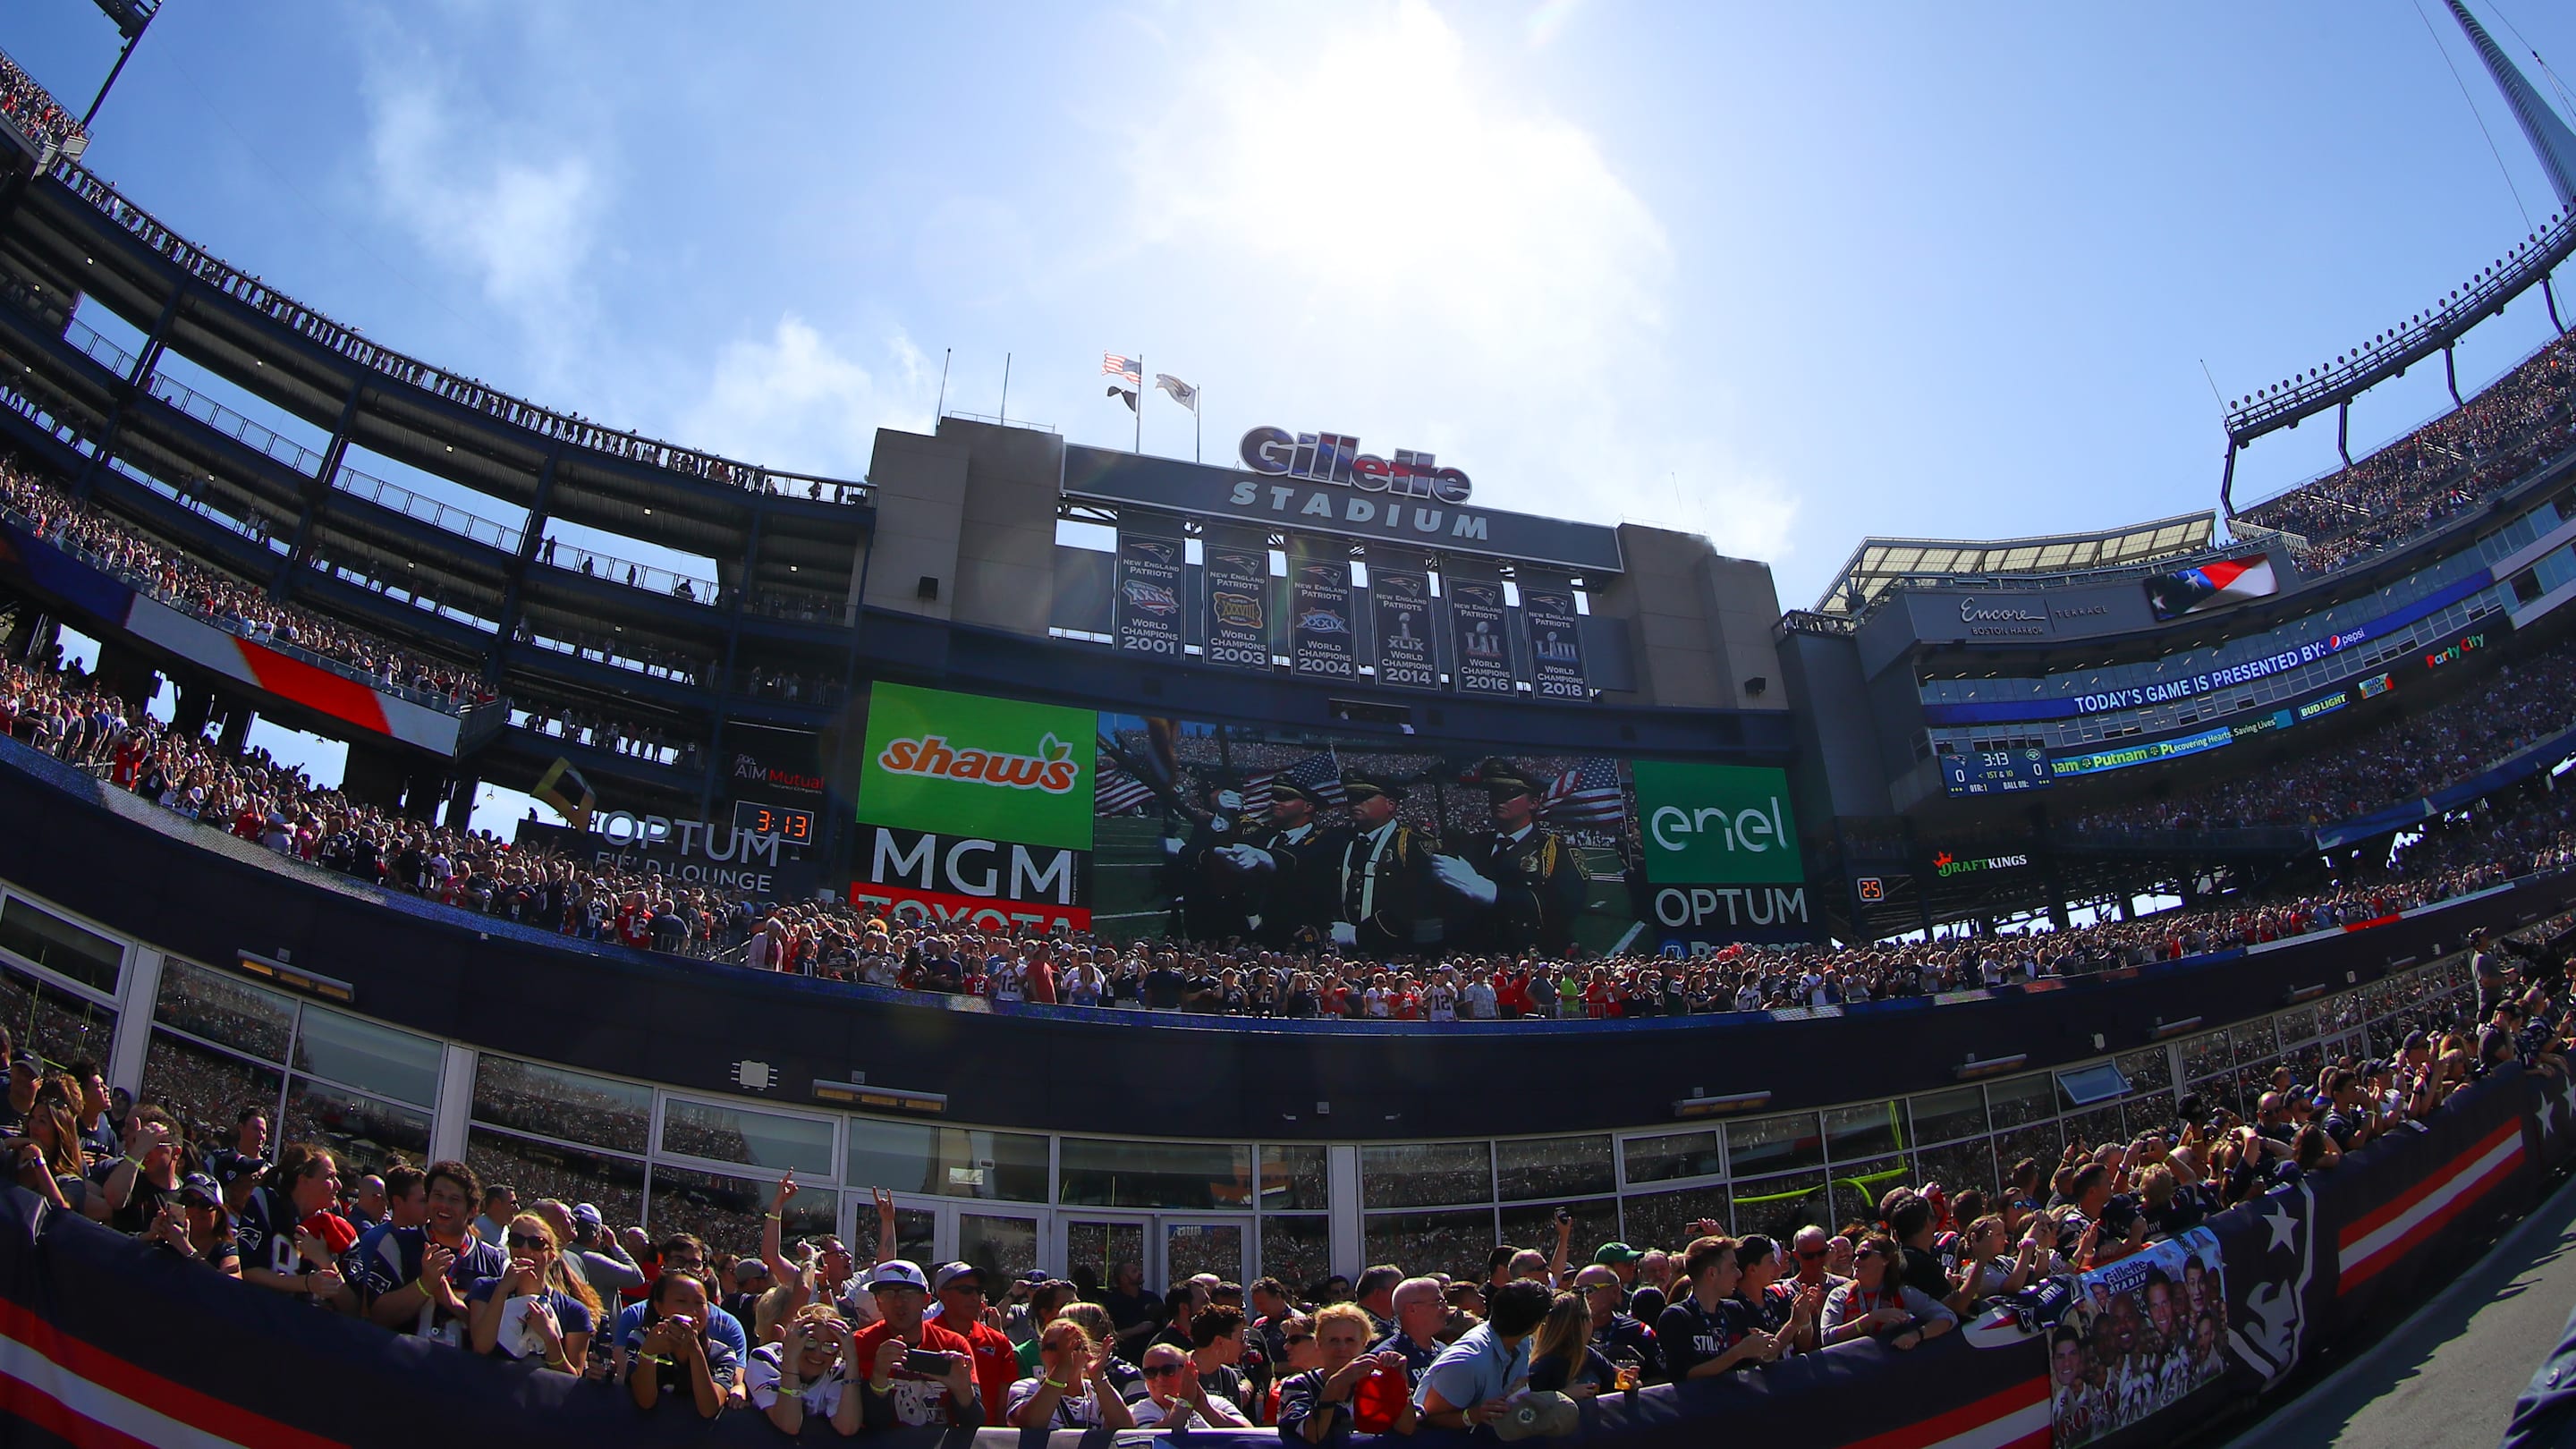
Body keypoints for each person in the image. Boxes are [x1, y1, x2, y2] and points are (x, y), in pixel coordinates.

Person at [1429, 759, 1589, 953]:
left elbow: (1562, 910)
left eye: (1509, 794)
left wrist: (1493, 893)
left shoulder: (1556, 853)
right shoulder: (1471, 846)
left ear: (1533, 803)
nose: (1499, 800)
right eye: (1494, 793)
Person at [349, 1159, 505, 1345]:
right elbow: (376, 1314)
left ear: (472, 1210)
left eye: (454, 1199)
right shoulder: (396, 1242)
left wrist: (454, 1305)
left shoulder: (495, 1261)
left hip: (462, 1364)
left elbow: (503, 1335)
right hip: (404, 1361)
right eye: (438, 1196)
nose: (444, 1205)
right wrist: (423, 1285)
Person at [846, 1259, 982, 1431]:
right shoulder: (859, 1344)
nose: (898, 1302)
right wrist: (878, 1378)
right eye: (888, 1294)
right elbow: (863, 1423)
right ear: (878, 1302)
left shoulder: (954, 1345)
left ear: (926, 1300)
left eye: (908, 1293)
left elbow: (974, 1423)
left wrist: (963, 1391)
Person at [465, 1213, 597, 1373]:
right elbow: (481, 1347)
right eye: (517, 1240)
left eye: (537, 1243)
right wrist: (501, 1292)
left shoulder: (574, 1311)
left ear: (551, 1255)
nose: (525, 1249)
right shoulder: (484, 1288)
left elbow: (573, 1377)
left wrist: (550, 1338)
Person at [1417, 1277, 1551, 1429]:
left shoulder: (1522, 1341)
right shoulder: (1467, 1363)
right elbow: (1428, 1417)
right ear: (1534, 1325)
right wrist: (1473, 1416)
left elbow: (1519, 1384)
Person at [235, 1142, 355, 1310]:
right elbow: (250, 1271)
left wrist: (324, 1260)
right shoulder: (268, 1203)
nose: (339, 1186)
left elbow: (353, 1307)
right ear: (304, 1180)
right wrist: (306, 1283)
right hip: (265, 1314)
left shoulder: (336, 1222)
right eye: (330, 1177)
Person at [1325, 775, 1439, 953]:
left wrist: (1359, 935)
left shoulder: (1412, 845)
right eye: (1352, 797)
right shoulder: (1338, 842)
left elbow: (1420, 904)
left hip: (1394, 950)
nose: (1355, 802)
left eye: (1364, 796)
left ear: (1390, 804)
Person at [1280, 1302, 1415, 1443]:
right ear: (1319, 1342)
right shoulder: (1298, 1385)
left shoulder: (1376, 1382)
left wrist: (1400, 1384)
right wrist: (1334, 1385)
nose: (1342, 1348)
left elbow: (1406, 1429)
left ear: (1364, 1343)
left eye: (1350, 1340)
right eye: (1333, 1340)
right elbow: (1312, 1435)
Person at [1656, 1237, 1781, 1378]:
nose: (1739, 1274)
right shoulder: (1676, 1317)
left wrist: (1766, 1351)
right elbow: (1684, 1375)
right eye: (1732, 1267)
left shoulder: (1734, 1310)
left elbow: (1750, 1362)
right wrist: (1738, 1352)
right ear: (1712, 1273)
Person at [628, 1269, 736, 1419]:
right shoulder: (640, 1339)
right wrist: (649, 1353)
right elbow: (645, 1401)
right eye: (681, 1301)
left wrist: (694, 1351)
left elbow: (709, 1409)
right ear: (659, 1307)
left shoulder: (722, 1354)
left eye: (699, 1303)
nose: (692, 1310)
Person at [747, 1303, 863, 1436]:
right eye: (810, 1342)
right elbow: (789, 1425)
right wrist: (790, 1361)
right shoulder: (765, 1359)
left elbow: (847, 1427)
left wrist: (852, 1360)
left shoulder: (838, 1371)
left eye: (829, 1346)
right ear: (792, 1339)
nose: (817, 1354)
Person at [1821, 1236, 1956, 1350]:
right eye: (1856, 1255)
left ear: (1885, 1260)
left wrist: (1916, 1336)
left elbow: (1947, 1317)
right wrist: (1871, 1318)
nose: (1856, 1261)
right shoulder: (1840, 1295)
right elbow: (1827, 1337)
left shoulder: (1902, 1293)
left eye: (1863, 1255)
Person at [1006, 1316, 1135, 1429]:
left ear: (1087, 1354)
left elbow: (1126, 1430)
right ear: (1041, 1354)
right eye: (1054, 1347)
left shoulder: (1098, 1393)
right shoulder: (1026, 1387)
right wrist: (1062, 1367)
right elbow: (1029, 1424)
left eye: (1073, 1346)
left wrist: (1099, 1379)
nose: (1063, 1353)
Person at [929, 1260, 1016, 1419]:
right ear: (943, 1295)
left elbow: (1003, 1406)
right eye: (966, 1290)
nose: (976, 1297)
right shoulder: (924, 1335)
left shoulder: (998, 1342)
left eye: (979, 1291)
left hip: (985, 1434)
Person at [1571, 1266, 1662, 1379]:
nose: (1582, 1297)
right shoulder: (1566, 1331)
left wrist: (1637, 1381)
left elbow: (1660, 1378)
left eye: (1589, 1290)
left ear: (1614, 1291)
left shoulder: (1637, 1330)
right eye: (1576, 1291)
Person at [1136, 1341, 1256, 1427]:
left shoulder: (1216, 1403)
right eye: (1150, 1372)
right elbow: (1154, 1440)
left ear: (1190, 1371)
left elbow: (1249, 1435)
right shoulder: (1140, 1411)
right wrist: (1184, 1403)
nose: (1159, 1378)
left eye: (1168, 1370)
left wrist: (1206, 1410)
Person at [1527, 1290, 1620, 1397]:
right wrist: (1564, 1395)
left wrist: (1629, 1379)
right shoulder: (1544, 1365)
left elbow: (1616, 1380)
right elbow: (1528, 1401)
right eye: (1590, 1317)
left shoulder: (1588, 1355)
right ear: (1579, 1324)